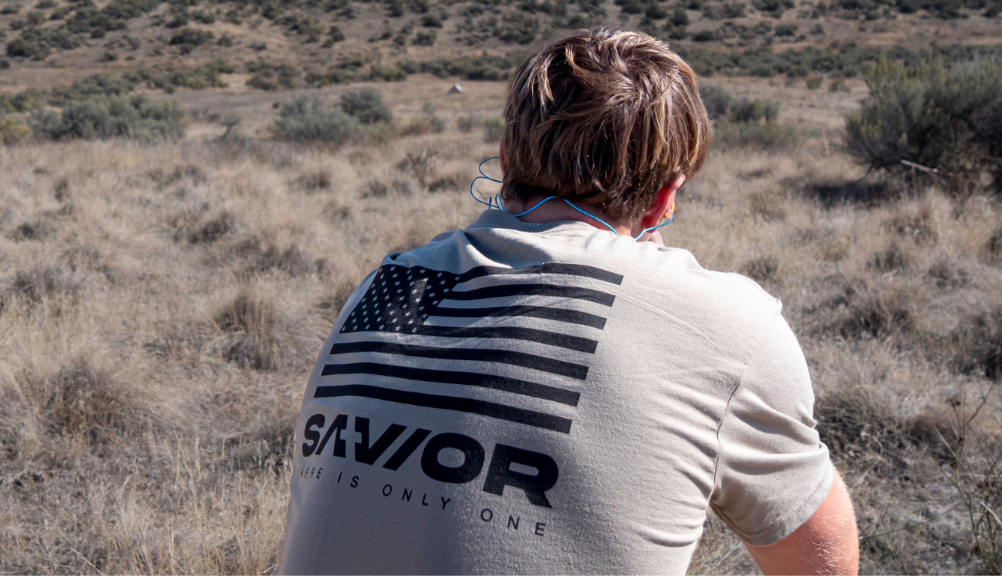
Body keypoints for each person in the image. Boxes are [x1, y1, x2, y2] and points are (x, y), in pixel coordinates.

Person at [277, 27, 859, 575]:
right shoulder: (729, 324)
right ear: (663, 200)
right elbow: (820, 560)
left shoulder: (388, 284)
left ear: (506, 157)